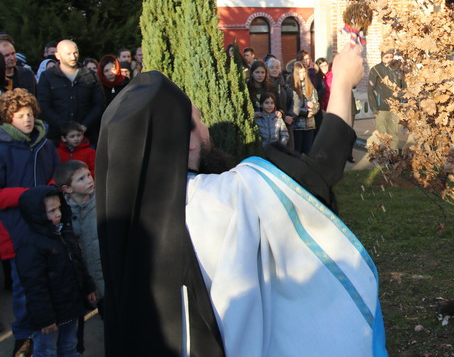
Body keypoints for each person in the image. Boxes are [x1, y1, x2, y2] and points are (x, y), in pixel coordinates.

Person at [96, 43, 386, 356]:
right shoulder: (212, 201)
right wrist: (341, 82)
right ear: (186, 141)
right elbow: (317, 176)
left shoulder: (133, 230)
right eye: (199, 119)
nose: (206, 128)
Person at [0, 88, 59, 354]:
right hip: (16, 228)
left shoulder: (45, 145)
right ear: (8, 118)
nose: (26, 119)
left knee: (51, 279)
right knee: (24, 285)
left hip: (47, 224)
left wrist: (52, 190)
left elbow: (55, 174)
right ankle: (23, 336)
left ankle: (49, 330)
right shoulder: (2, 147)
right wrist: (29, 196)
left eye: (29, 114)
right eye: (19, 115)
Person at [16, 186, 96, 357]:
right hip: (48, 315)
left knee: (69, 345)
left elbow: (78, 262)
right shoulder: (31, 244)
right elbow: (34, 285)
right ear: (36, 214)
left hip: (70, 307)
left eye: (59, 208)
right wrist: (45, 318)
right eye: (52, 211)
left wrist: (88, 287)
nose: (58, 214)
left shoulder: (64, 232)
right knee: (47, 351)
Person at [55, 160, 103, 355]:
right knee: (76, 329)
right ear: (67, 189)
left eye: (89, 175)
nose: (89, 180)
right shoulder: (62, 211)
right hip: (81, 278)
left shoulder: (102, 200)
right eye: (81, 179)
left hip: (103, 271)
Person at [37, 40, 105, 145]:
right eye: (68, 54)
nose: (73, 57)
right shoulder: (47, 77)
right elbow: (44, 106)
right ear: (58, 55)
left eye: (75, 53)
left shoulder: (91, 75)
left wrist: (84, 126)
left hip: (87, 138)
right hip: (57, 138)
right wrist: (65, 127)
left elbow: (99, 104)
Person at [368, 50, 405, 150]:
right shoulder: (376, 69)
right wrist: (374, 107)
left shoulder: (397, 69)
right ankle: (384, 155)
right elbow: (370, 90)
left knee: (394, 134)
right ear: (382, 57)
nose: (389, 59)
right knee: (382, 134)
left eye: (391, 57)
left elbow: (403, 87)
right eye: (386, 57)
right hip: (381, 107)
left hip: (395, 107)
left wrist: (402, 103)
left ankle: (393, 154)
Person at [289, 61, 319, 155]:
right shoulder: (291, 88)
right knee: (297, 151)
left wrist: (313, 109)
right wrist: (306, 112)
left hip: (310, 125)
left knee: (308, 151)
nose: (302, 75)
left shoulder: (310, 86)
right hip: (297, 125)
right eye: (300, 73)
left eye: (303, 72)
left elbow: (316, 103)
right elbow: (292, 107)